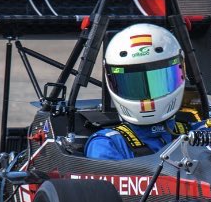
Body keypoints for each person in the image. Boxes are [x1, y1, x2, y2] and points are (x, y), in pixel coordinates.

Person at [84, 23, 204, 160]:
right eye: (134, 86)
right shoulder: (108, 144)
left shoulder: (201, 133)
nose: (148, 99)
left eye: (158, 82)